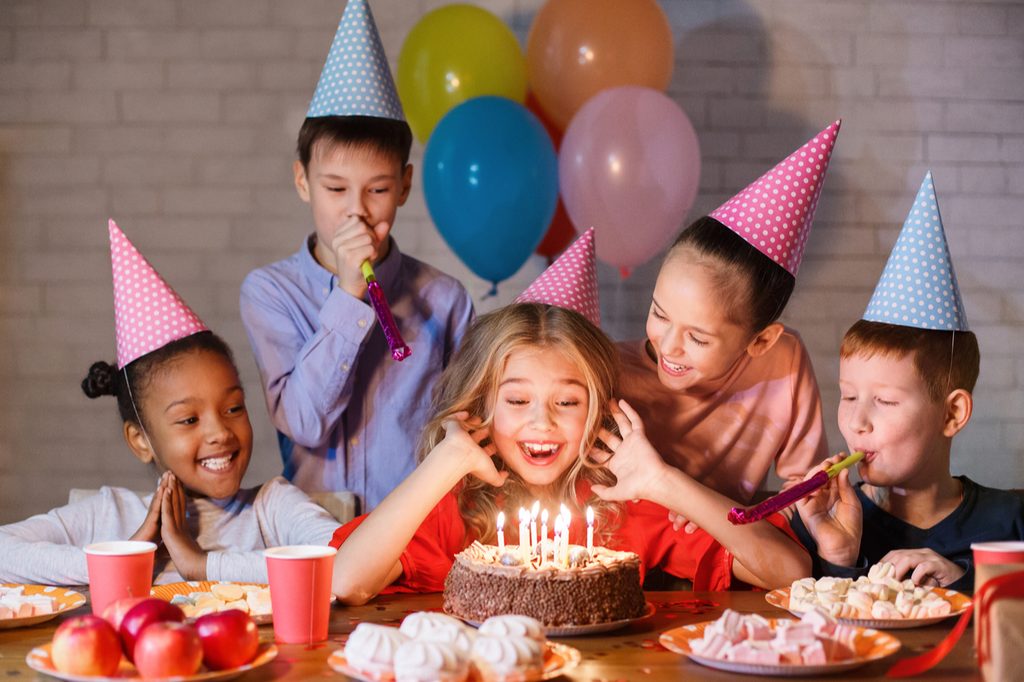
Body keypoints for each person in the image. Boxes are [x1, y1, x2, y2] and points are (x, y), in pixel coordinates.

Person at [326, 233, 810, 604]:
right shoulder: (455, 506)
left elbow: (791, 573)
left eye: (568, 402)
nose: (543, 423)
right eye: (517, 402)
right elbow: (346, 583)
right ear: (481, 408)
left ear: (599, 411)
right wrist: (444, 461)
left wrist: (662, 481)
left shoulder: (620, 506)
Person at [0, 221, 339, 585]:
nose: (219, 432)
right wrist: (127, 555)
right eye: (189, 420)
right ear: (140, 440)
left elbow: (344, 560)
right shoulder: (109, 513)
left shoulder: (271, 508)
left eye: (233, 408)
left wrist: (200, 564)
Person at [240, 0, 473, 512]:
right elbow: (303, 422)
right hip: (312, 532)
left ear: (406, 186)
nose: (356, 212)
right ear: (302, 181)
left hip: (413, 534)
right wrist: (349, 294)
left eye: (377, 190)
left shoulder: (446, 299)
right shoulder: (269, 292)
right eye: (335, 188)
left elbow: (462, 433)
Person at [791, 173, 1024, 592]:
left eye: (885, 400)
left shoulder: (1011, 521)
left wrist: (968, 585)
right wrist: (839, 559)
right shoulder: (820, 522)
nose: (856, 422)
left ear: (952, 413)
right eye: (848, 396)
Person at [618, 122, 841, 513]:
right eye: (659, 313)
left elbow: (801, 494)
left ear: (761, 341)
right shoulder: (609, 370)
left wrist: (731, 516)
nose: (668, 345)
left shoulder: (783, 361)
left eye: (698, 338)